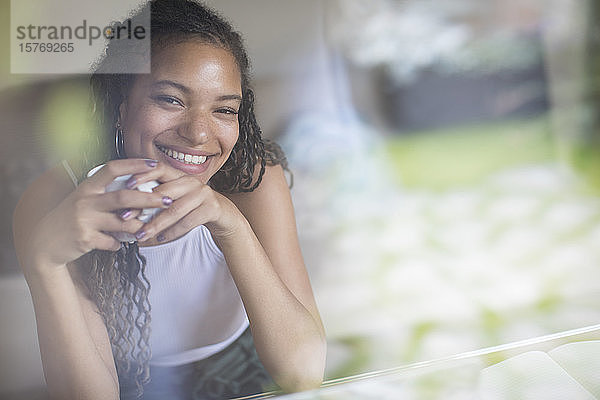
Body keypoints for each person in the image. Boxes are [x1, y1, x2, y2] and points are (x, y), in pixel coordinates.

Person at [12, 0, 326, 399]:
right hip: (127, 381)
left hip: (245, 365)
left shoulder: (253, 181)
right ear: (120, 107)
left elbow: (304, 373)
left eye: (225, 109)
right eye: (171, 99)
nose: (198, 134)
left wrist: (228, 222)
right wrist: (45, 264)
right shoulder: (55, 203)